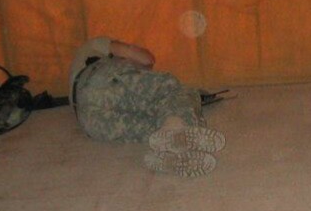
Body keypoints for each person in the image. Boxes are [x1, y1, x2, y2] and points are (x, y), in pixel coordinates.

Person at [70, 37, 225, 177]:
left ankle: (169, 154)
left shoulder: (80, 67)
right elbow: (146, 59)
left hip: (90, 121)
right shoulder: (95, 45)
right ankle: (178, 127)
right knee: (173, 88)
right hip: (100, 81)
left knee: (156, 126)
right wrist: (134, 56)